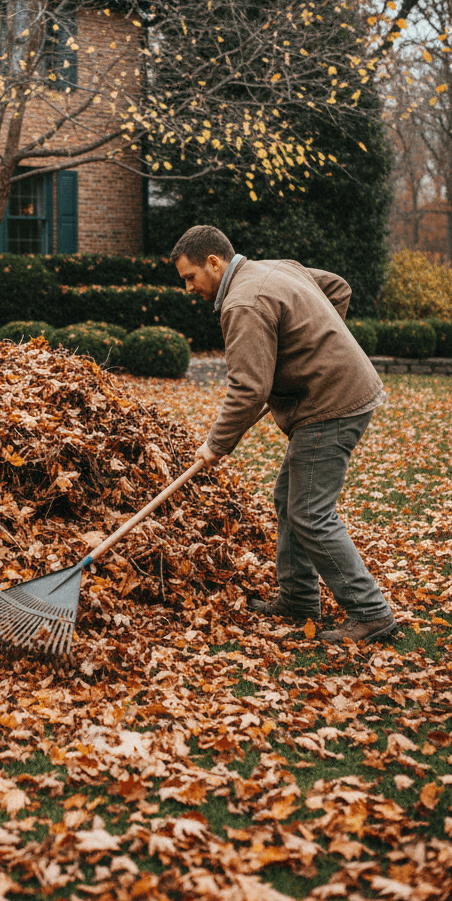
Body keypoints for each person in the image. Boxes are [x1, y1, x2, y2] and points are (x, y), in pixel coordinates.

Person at [171, 225, 397, 644]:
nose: (189, 288)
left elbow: (248, 388)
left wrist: (215, 444)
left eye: (190, 277)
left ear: (214, 263)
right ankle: (297, 598)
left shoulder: (242, 303)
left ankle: (371, 613)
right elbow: (339, 289)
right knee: (289, 499)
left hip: (329, 404)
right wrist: (315, 343)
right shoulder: (274, 268)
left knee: (310, 513)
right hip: (337, 393)